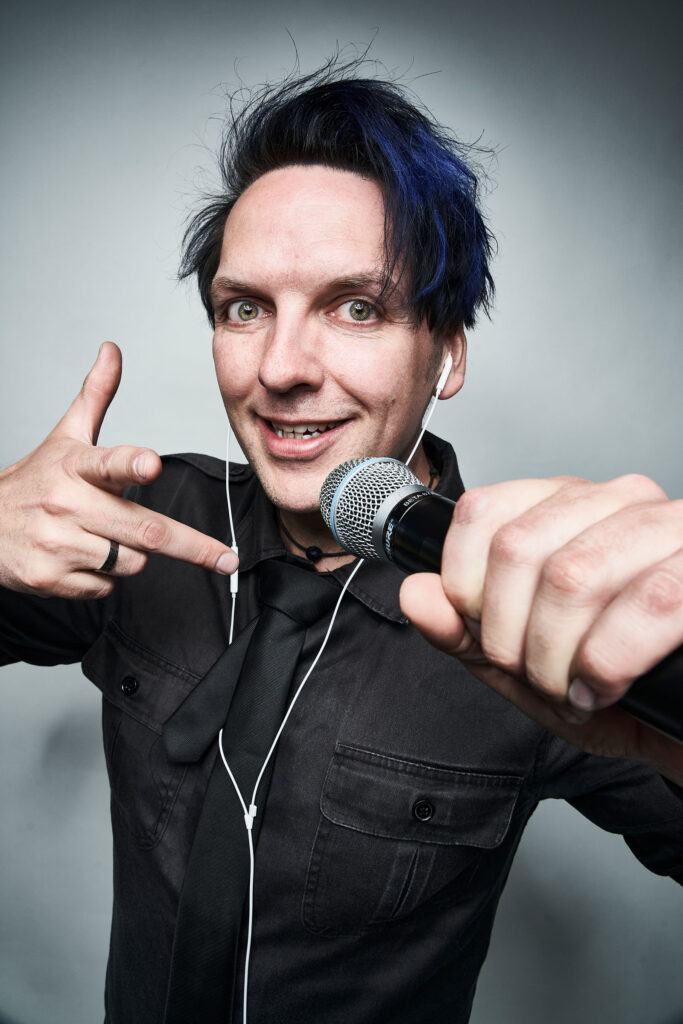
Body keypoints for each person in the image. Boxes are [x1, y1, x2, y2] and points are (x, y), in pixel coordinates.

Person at [1, 64, 681, 1024]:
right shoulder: (134, 517)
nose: (280, 368)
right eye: (245, 308)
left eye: (356, 307)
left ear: (447, 352)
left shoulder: (533, 605)